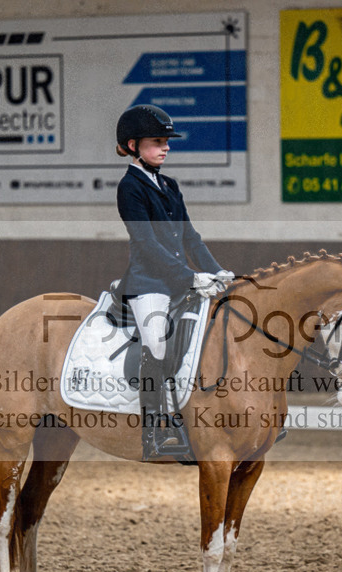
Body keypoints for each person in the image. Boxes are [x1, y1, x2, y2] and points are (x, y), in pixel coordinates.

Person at [114, 104, 233, 461]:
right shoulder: (129, 188)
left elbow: (190, 238)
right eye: (157, 142)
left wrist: (218, 272)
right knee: (159, 345)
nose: (165, 147)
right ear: (133, 145)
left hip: (181, 281)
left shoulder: (169, 184)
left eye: (167, 142)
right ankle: (155, 430)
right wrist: (191, 278)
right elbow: (148, 246)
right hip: (148, 283)